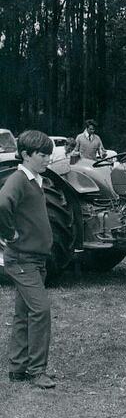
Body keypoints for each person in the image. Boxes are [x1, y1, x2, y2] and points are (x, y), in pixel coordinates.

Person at [0, 130, 56, 389]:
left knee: (23, 313)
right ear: (26, 155)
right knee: (41, 310)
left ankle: (17, 368)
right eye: (43, 155)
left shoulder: (35, 180)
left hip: (35, 259)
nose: (48, 159)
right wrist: (8, 233)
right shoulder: (19, 179)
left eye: (49, 154)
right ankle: (36, 371)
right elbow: (2, 204)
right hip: (22, 260)